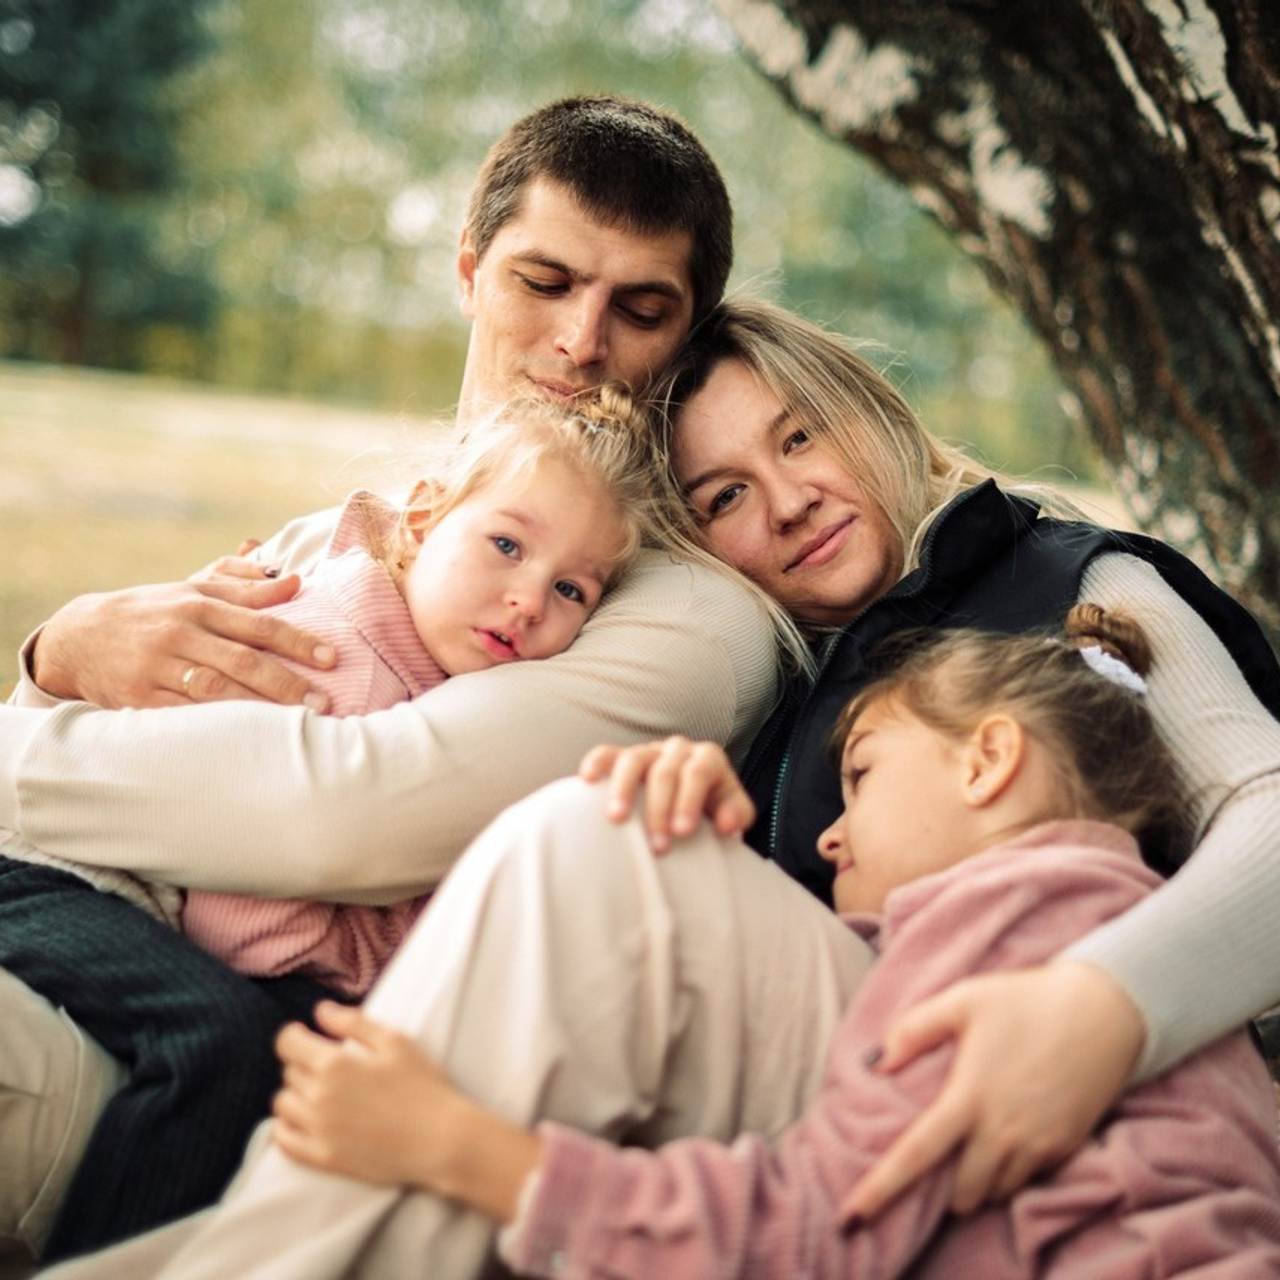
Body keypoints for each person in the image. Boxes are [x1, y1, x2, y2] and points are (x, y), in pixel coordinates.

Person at [32, 297, 1280, 1279]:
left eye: (800, 437)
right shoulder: (759, 671)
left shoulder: (1066, 581)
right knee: (594, 824)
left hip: (1068, 1054)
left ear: (872, 414)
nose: (785, 501)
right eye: (723, 496)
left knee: (580, 842)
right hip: (847, 1071)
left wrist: (1109, 1001)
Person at [0, 96, 784, 1274]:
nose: (580, 340)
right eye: (543, 279)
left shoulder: (683, 609)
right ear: (469, 273)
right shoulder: (348, 532)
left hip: (185, 1058)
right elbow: (128, 716)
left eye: (639, 307)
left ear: (687, 336)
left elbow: (338, 811)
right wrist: (59, 653)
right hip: (93, 941)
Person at [261, 606, 1280, 1277]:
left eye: (864, 774)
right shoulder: (1092, 914)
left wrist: (474, 1155)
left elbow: (817, 1227)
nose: (827, 834)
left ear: (988, 762)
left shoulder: (1014, 915)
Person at [0, 388, 665, 1264]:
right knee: (225, 1042)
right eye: (506, 545)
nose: (527, 600)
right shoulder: (339, 657)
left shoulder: (442, 681)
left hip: (112, 886)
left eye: (571, 588)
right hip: (52, 872)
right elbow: (246, 923)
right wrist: (376, 977)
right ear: (424, 519)